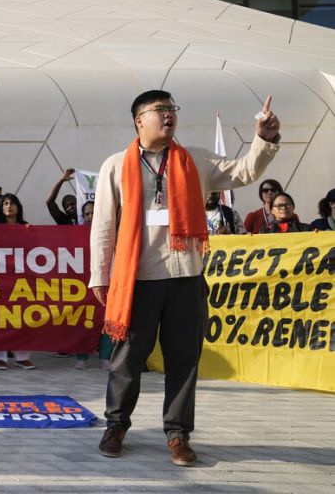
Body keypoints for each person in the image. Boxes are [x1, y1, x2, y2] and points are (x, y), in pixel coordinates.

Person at [90, 90, 281, 467]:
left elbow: (244, 172)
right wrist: (100, 273)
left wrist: (265, 138)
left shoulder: (195, 159)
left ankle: (178, 435)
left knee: (184, 359)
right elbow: (104, 225)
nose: (168, 115)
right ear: (138, 120)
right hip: (138, 279)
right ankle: (116, 425)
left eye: (172, 108)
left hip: (185, 275)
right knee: (127, 360)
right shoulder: (115, 165)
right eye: (159, 109)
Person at [0, 193, 35, 370]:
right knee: (0, 318)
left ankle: (22, 356)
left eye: (12, 203)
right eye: (6, 203)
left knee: (23, 317)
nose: (9, 206)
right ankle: (0, 357)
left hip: (22, 279)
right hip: (0, 278)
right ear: (1, 208)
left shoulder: (27, 228)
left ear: (18, 207)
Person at [74, 200, 113, 371]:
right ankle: (82, 357)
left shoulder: (111, 232)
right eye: (86, 214)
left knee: (107, 321)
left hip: (106, 282)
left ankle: (105, 357)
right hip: (80, 286)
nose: (90, 217)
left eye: (93, 213)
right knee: (84, 321)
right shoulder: (75, 235)